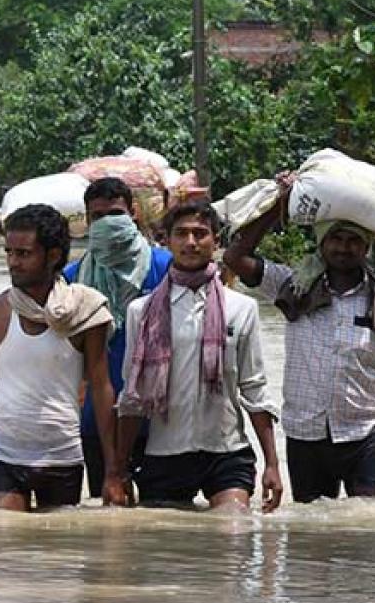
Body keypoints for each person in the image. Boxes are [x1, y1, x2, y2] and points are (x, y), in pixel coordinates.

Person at [223, 175, 375, 502]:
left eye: (353, 241)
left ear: (365, 247)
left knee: (369, 529)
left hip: (364, 432)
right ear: (321, 242)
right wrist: (278, 206)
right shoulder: (291, 286)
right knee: (310, 536)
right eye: (336, 238)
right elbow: (235, 258)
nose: (344, 248)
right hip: (306, 433)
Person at [111, 199, 282, 512]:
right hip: (164, 452)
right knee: (169, 553)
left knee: (232, 531)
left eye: (200, 233)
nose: (191, 242)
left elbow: (255, 388)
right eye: (181, 233)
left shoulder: (242, 309)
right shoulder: (142, 312)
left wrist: (272, 463)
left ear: (216, 241)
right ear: (166, 240)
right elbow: (132, 398)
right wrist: (118, 469)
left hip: (226, 450)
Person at [0, 204, 116, 511]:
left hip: (62, 455)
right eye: (9, 252)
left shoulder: (85, 312)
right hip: (6, 456)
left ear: (53, 256)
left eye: (23, 254)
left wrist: (113, 472)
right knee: (4, 539)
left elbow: (102, 389)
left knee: (54, 555)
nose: (13, 262)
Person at [62, 177, 172, 504]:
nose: (107, 223)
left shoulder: (165, 267)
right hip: (98, 419)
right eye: (98, 217)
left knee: (159, 516)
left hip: (159, 421)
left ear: (134, 214)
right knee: (108, 518)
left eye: (115, 214)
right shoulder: (72, 277)